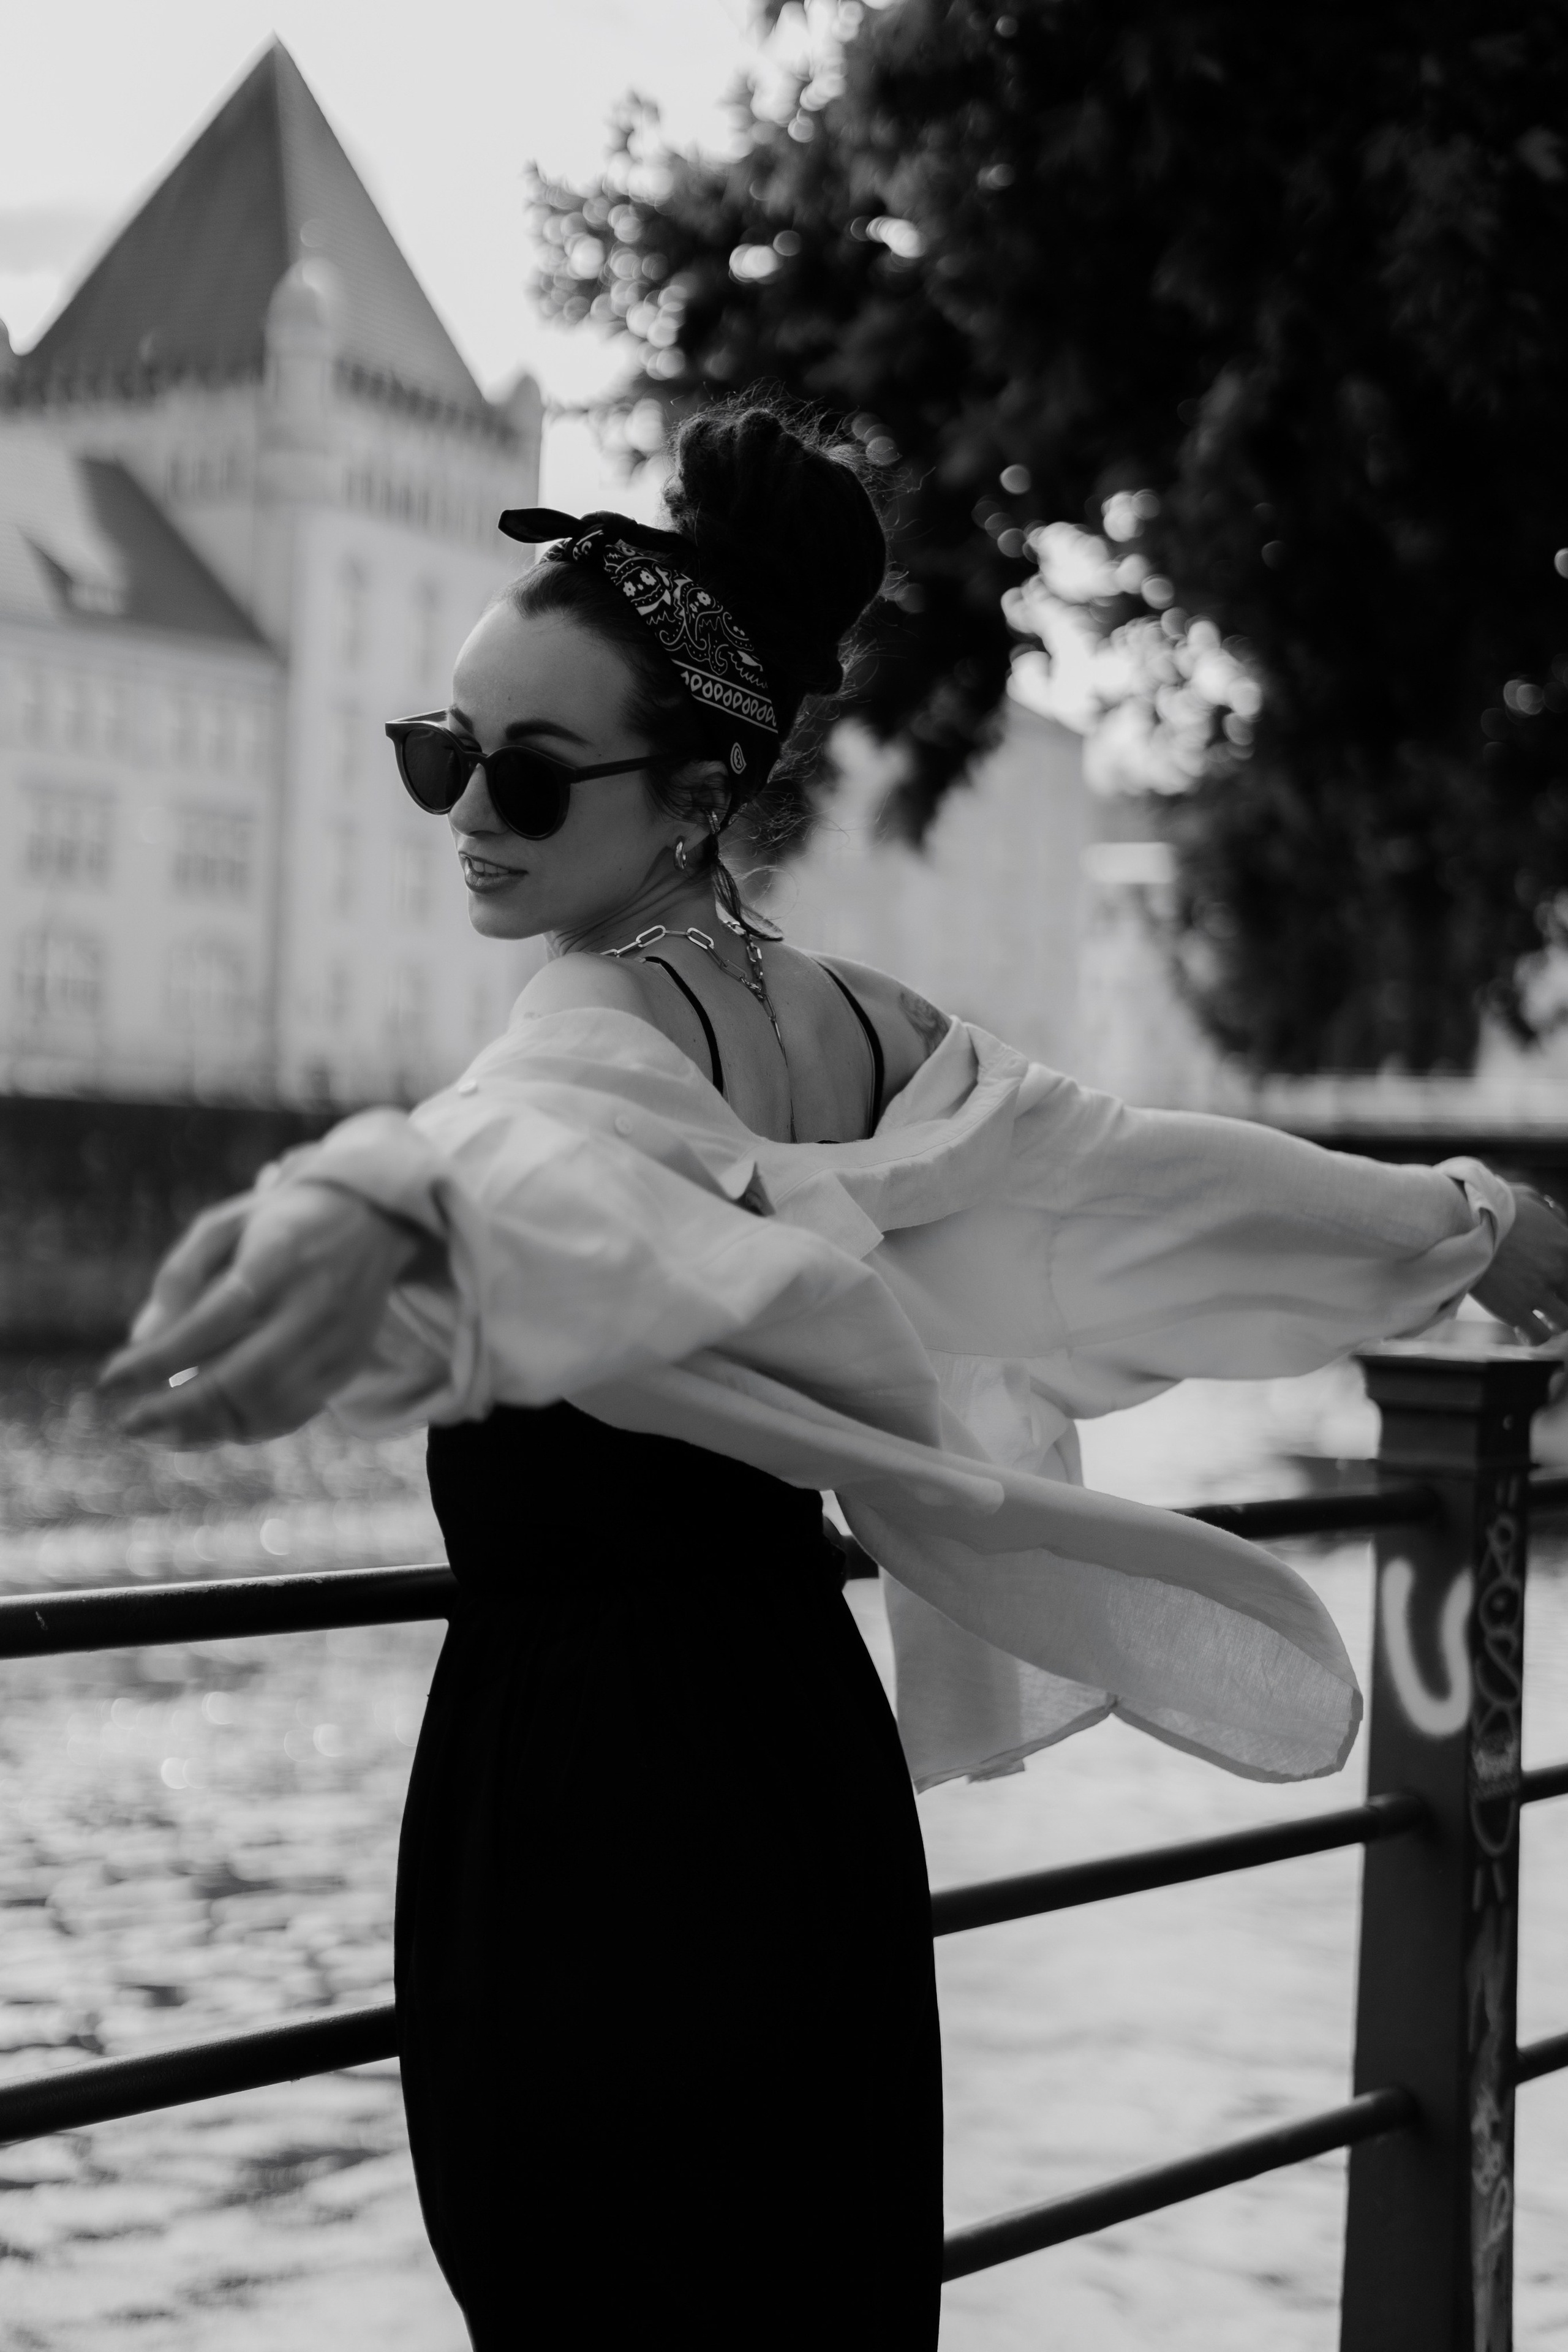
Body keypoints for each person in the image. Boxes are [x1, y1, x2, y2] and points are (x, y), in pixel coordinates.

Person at [100, 400, 1568, 2350]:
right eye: (438, 753)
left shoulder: (589, 1039)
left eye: (526, 777)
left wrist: (377, 1206)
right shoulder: (875, 1042)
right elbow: (1149, 1193)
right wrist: (1465, 1223)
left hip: (586, 1829)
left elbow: (531, 1177)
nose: (464, 812)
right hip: (801, 1787)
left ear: (694, 796)